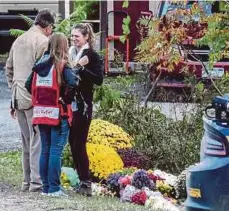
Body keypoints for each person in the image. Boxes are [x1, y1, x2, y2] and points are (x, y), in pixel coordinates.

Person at [5, 9, 56, 192]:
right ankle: (36, 182)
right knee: (37, 141)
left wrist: (13, 89)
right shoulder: (43, 41)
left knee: (26, 141)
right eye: (52, 27)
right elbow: (42, 71)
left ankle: (26, 181)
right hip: (34, 98)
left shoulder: (19, 40)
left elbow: (8, 68)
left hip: (17, 97)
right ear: (48, 27)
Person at [25, 33, 78, 197]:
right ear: (63, 46)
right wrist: (65, 99)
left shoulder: (39, 65)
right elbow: (73, 82)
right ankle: (55, 188)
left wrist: (42, 100)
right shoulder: (63, 65)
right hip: (58, 114)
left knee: (45, 150)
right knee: (56, 151)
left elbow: (28, 85)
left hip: (41, 113)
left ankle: (46, 188)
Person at [68, 23, 103, 196]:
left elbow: (99, 80)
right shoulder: (71, 53)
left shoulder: (92, 56)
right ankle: (80, 180)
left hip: (83, 105)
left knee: (79, 143)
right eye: (72, 36)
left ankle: (86, 182)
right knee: (72, 143)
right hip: (70, 104)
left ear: (86, 37)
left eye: (77, 36)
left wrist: (82, 69)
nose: (74, 39)